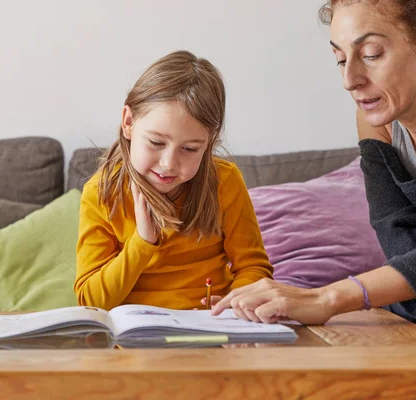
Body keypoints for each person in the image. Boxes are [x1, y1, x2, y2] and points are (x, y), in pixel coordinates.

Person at [212, 0, 416, 341]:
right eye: (340, 59)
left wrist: (327, 297)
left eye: (371, 54)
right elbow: (397, 237)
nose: (349, 80)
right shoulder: (378, 125)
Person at [74, 50, 273, 311]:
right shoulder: (102, 192)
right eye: (156, 142)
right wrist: (142, 242)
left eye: (190, 149)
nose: (169, 164)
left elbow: (254, 268)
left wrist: (236, 301)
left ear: (209, 142)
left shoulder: (225, 181)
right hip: (133, 340)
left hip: (210, 334)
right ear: (128, 122)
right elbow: (90, 300)